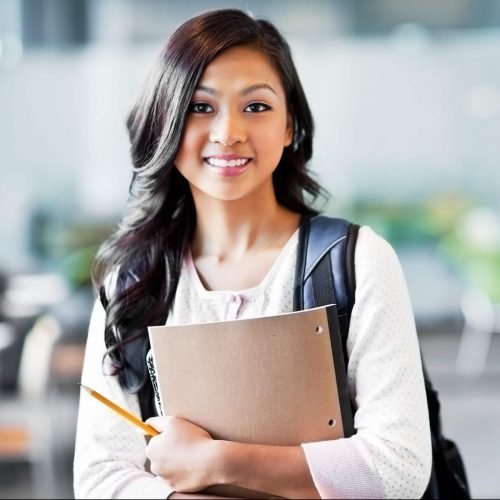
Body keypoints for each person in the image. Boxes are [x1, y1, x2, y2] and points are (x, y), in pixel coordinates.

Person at [73, 8, 432, 499]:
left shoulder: (358, 261)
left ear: (289, 126)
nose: (228, 132)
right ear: (167, 122)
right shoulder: (133, 280)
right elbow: (99, 477)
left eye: (256, 107)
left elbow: (400, 467)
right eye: (201, 107)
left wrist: (216, 462)